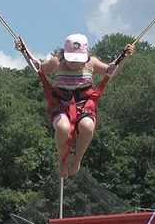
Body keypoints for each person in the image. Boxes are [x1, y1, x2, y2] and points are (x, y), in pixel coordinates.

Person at [15, 34, 135, 179]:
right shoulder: (56, 63)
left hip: (84, 104)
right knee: (63, 128)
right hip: (60, 104)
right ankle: (62, 160)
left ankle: (77, 159)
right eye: (71, 59)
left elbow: (111, 70)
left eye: (78, 60)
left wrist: (124, 56)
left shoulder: (92, 63)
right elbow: (38, 67)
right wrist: (23, 50)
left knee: (87, 126)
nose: (74, 63)